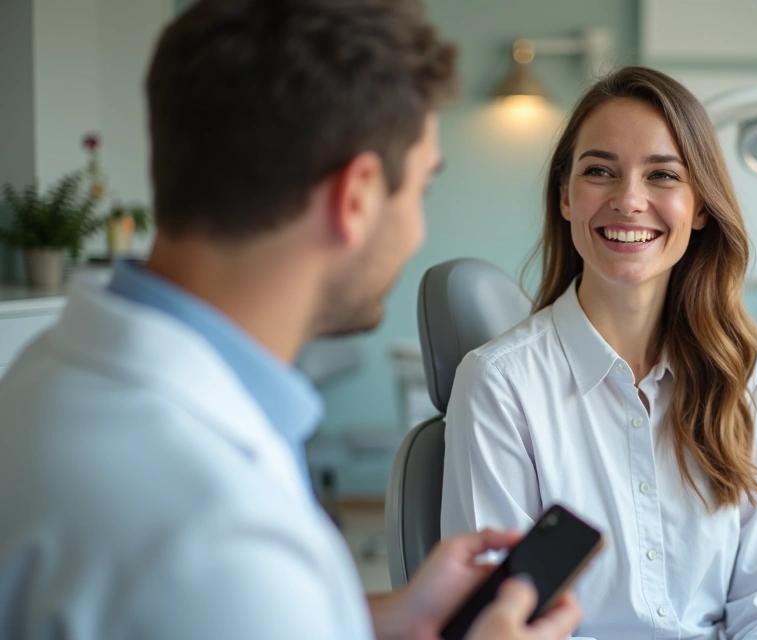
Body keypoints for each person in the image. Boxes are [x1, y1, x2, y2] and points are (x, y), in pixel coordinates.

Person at [0, 1, 580, 639]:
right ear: (356, 198)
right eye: (421, 189)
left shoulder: (46, 371)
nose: (417, 228)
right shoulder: (222, 537)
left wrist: (386, 618)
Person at [440, 66, 757, 639]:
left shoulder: (736, 375)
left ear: (701, 207)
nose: (629, 200)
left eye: (663, 175)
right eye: (599, 172)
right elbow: (500, 626)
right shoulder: (500, 385)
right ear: (566, 197)